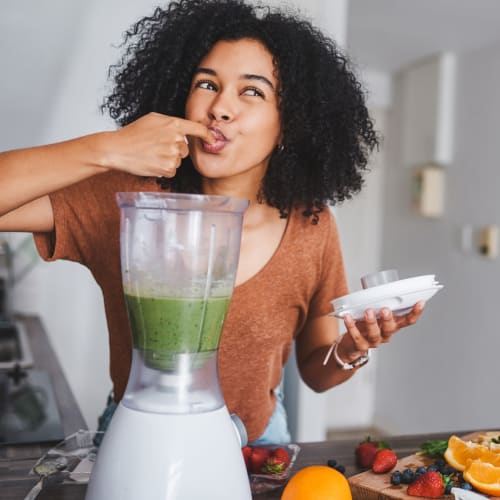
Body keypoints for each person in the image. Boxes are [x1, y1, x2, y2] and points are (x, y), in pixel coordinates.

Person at [0, 0, 424, 445]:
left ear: (290, 124)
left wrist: (352, 349)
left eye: (252, 91)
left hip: (257, 452)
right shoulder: (130, 198)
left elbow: (317, 374)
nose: (220, 107)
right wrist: (109, 149)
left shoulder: (311, 227)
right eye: (207, 84)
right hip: (138, 440)